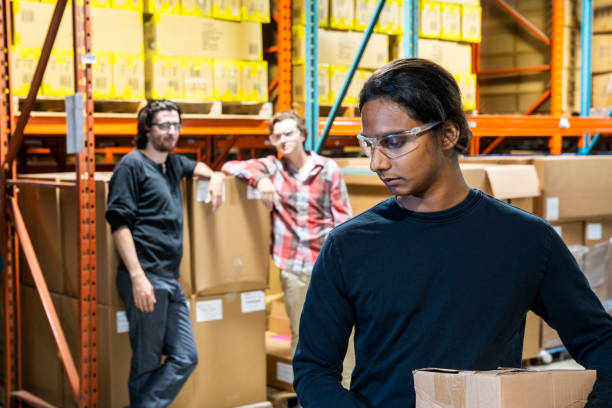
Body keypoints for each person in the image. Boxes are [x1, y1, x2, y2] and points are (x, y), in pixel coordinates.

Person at [293, 58, 612, 407]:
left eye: (396, 141)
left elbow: (599, 340)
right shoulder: (349, 246)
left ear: (448, 133)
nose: (377, 163)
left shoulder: (526, 239)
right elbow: (314, 370)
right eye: (371, 144)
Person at [105, 100, 224, 407]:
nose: (172, 132)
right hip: (146, 276)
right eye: (164, 125)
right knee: (146, 362)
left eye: (176, 125)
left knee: (186, 356)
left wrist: (217, 177)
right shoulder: (131, 166)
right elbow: (119, 224)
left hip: (169, 278)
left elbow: (196, 167)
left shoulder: (171, 164)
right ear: (147, 128)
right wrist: (137, 277)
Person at [222, 110, 354, 385]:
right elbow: (231, 167)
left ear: (303, 135)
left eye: (288, 133)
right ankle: (308, 397)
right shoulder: (274, 168)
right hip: (293, 269)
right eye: (277, 135)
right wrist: (261, 180)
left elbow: (344, 220)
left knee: (341, 334)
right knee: (301, 337)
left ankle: (346, 395)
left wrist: (345, 265)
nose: (283, 139)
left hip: (327, 268)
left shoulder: (327, 169)